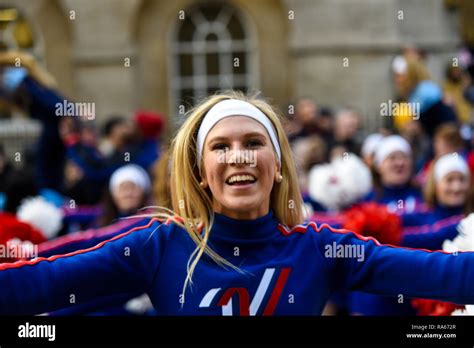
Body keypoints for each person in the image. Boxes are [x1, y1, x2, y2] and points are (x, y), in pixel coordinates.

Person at [1, 91, 474, 316]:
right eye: (221, 147)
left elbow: (448, 274)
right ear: (202, 174)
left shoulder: (321, 249)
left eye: (253, 142)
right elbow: (42, 283)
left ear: (280, 165)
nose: (239, 157)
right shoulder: (160, 247)